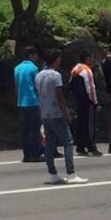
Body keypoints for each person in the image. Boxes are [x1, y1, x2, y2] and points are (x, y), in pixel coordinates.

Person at [36, 48, 87, 185]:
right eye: (58, 58)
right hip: (56, 113)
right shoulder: (55, 75)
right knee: (68, 142)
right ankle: (71, 173)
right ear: (55, 59)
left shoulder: (39, 75)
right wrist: (66, 112)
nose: (60, 60)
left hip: (45, 113)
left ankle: (52, 173)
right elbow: (59, 96)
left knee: (50, 143)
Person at [69, 50, 101, 156]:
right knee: (88, 125)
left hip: (77, 100)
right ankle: (91, 147)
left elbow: (70, 85)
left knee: (80, 124)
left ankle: (80, 146)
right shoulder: (86, 70)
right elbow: (90, 88)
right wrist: (95, 103)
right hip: (87, 101)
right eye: (91, 57)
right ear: (87, 58)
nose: (92, 60)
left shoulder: (75, 69)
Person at [13, 46, 42, 162]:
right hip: (33, 101)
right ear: (31, 56)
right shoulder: (33, 68)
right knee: (34, 130)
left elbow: (16, 86)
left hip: (21, 102)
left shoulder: (17, 68)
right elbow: (37, 85)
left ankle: (26, 154)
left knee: (24, 130)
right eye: (35, 55)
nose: (36, 57)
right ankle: (34, 154)